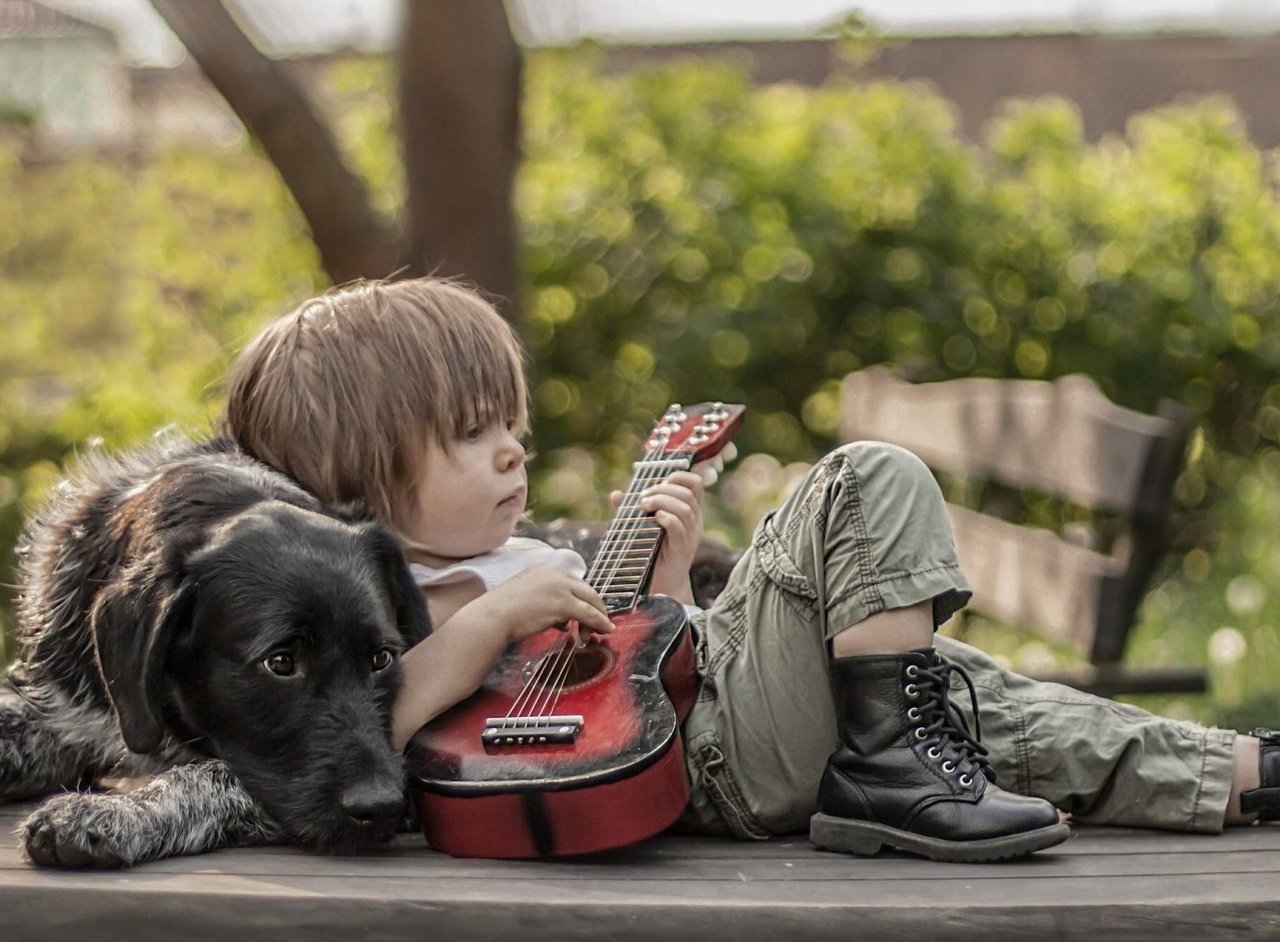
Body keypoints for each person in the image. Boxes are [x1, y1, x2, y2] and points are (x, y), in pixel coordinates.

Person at [223, 276, 1277, 863]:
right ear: (354, 476)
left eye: (514, 425)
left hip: (692, 747)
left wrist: (669, 590)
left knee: (958, 693)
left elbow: (635, 685)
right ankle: (890, 769)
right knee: (862, 481)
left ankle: (1236, 775)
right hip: (700, 773)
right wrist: (490, 620)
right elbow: (361, 733)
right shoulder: (363, 599)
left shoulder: (518, 555)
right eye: (469, 433)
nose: (512, 451)